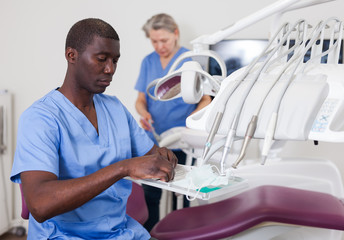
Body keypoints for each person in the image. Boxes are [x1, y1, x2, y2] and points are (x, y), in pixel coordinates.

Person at [10, 18, 178, 240]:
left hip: (120, 232)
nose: (110, 69)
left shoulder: (115, 108)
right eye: (101, 59)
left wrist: (163, 157)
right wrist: (122, 168)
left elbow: (151, 156)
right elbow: (40, 205)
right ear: (72, 55)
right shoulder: (41, 118)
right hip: (64, 235)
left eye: (115, 61)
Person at [134, 13, 211, 231]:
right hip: (155, 140)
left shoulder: (190, 61)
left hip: (183, 141)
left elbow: (206, 98)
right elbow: (140, 100)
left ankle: (180, 233)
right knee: (151, 193)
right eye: (154, 41)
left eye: (164, 40)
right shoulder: (148, 62)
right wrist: (144, 113)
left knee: (183, 195)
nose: (159, 46)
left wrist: (191, 120)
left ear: (175, 34)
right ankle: (149, 235)